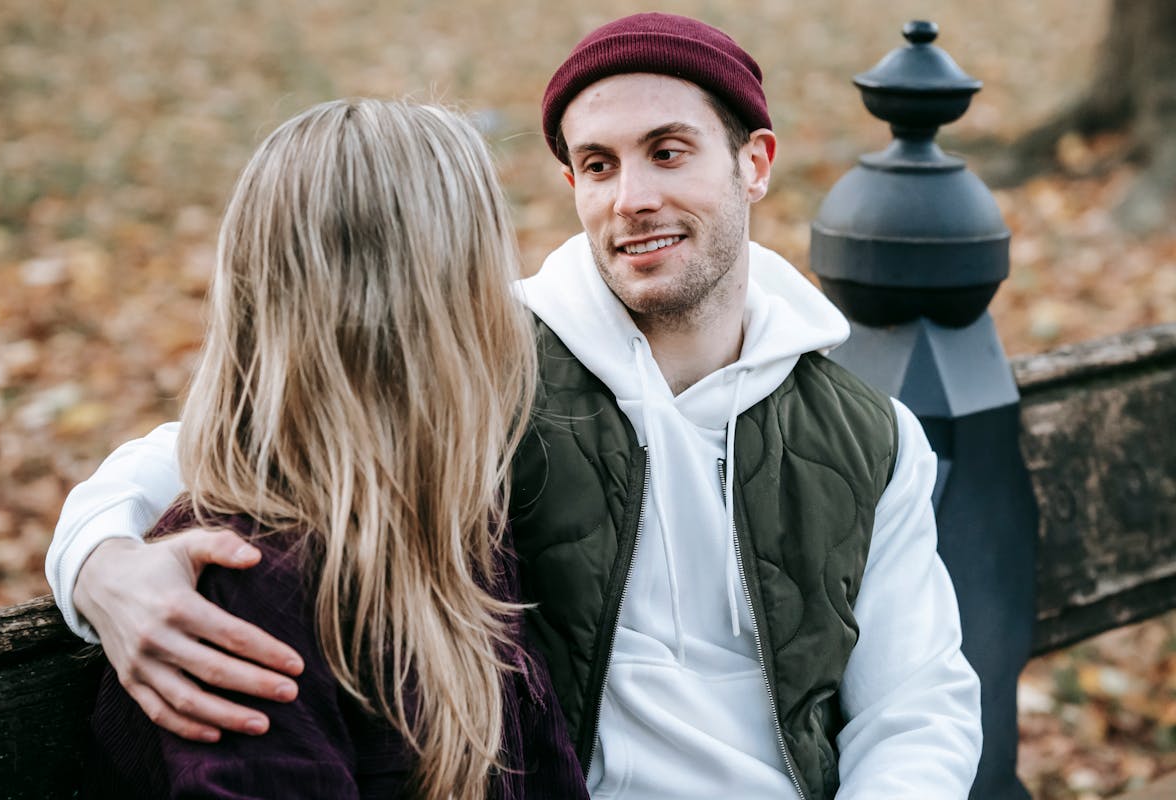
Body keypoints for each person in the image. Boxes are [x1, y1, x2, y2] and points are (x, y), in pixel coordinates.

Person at [48, 13, 983, 799]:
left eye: (669, 152)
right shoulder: (481, 368)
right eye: (599, 164)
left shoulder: (869, 436)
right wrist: (101, 563)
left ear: (755, 163)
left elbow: (917, 709)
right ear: (571, 184)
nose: (634, 198)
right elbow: (247, 439)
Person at [77, 98, 587, 799]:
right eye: (488, 270)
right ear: (429, 310)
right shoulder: (245, 592)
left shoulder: (451, 517)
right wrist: (95, 553)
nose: (509, 304)